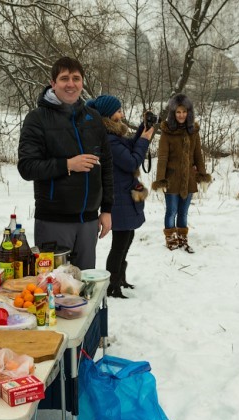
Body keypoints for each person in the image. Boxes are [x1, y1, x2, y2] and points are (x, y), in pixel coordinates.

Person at [17, 57, 114, 270]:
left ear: (82, 82)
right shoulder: (37, 119)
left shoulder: (93, 118)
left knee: (85, 288)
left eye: (76, 78)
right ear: (53, 83)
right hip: (54, 221)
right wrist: (68, 165)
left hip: (88, 221)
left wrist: (106, 209)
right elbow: (27, 166)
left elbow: (106, 166)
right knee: (54, 288)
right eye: (64, 78)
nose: (71, 84)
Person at [86, 94, 153, 298]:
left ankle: (120, 278)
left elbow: (131, 147)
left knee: (127, 236)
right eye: (118, 111)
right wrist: (144, 140)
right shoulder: (109, 140)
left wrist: (144, 128)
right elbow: (132, 162)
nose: (122, 114)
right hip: (118, 197)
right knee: (120, 242)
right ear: (108, 115)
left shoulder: (114, 135)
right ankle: (112, 285)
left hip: (124, 194)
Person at [151, 93, 211, 253]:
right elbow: (162, 157)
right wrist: (160, 180)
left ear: (188, 112)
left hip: (189, 179)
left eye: (184, 112)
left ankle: (183, 239)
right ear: (173, 113)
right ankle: (171, 239)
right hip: (172, 179)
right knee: (171, 211)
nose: (181, 115)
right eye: (178, 112)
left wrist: (203, 176)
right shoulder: (167, 131)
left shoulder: (193, 131)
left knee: (183, 212)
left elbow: (198, 154)